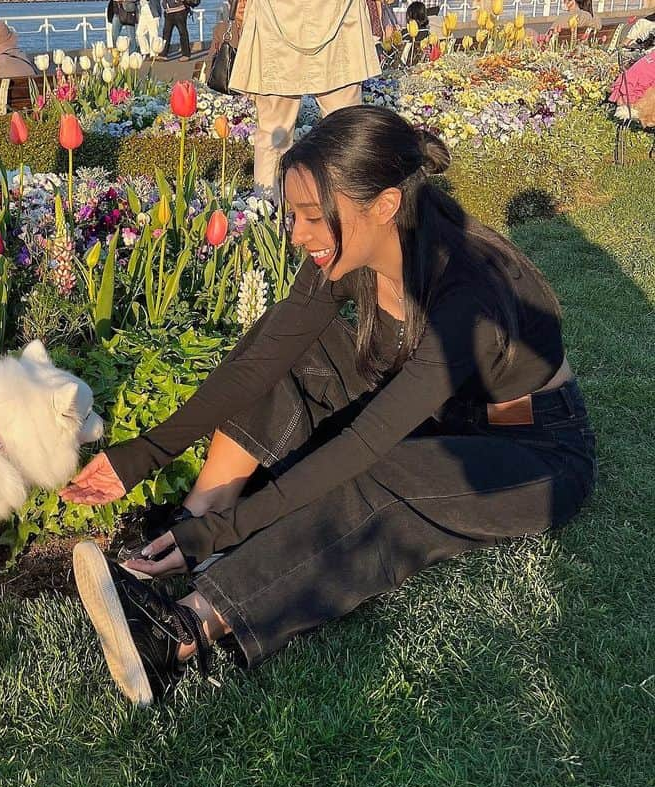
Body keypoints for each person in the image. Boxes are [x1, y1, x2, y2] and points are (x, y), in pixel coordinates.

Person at [62, 106, 596, 707]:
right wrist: (143, 454)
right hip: (439, 416)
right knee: (287, 345)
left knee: (380, 476)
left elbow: (366, 443)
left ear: (384, 204)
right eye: (295, 216)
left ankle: (183, 628)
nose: (297, 234)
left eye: (313, 217)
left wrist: (227, 533)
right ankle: (190, 522)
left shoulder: (469, 293)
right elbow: (263, 361)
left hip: (528, 451)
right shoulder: (354, 254)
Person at [229, 0, 381, 197]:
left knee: (274, 134)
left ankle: (268, 214)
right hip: (340, 18)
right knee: (344, 131)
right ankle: (346, 210)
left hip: (272, 18)